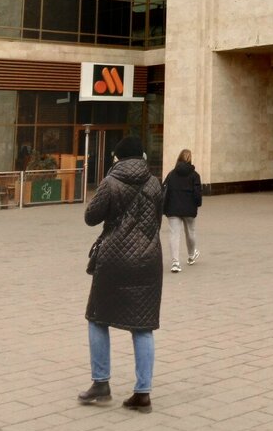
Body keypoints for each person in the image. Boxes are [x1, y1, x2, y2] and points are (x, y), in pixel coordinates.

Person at [78, 135, 163, 413]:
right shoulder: (155, 182)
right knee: (143, 325)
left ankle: (101, 382)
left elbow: (90, 217)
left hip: (114, 260)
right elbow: (157, 219)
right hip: (149, 259)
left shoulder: (111, 181)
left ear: (117, 157)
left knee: (97, 317)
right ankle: (143, 393)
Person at [162, 148, 202, 271]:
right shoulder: (195, 175)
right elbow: (197, 194)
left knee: (174, 234)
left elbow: (165, 190)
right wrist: (197, 204)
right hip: (189, 208)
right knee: (190, 232)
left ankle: (175, 263)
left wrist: (164, 207)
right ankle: (191, 255)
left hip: (173, 208)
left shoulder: (171, 174)